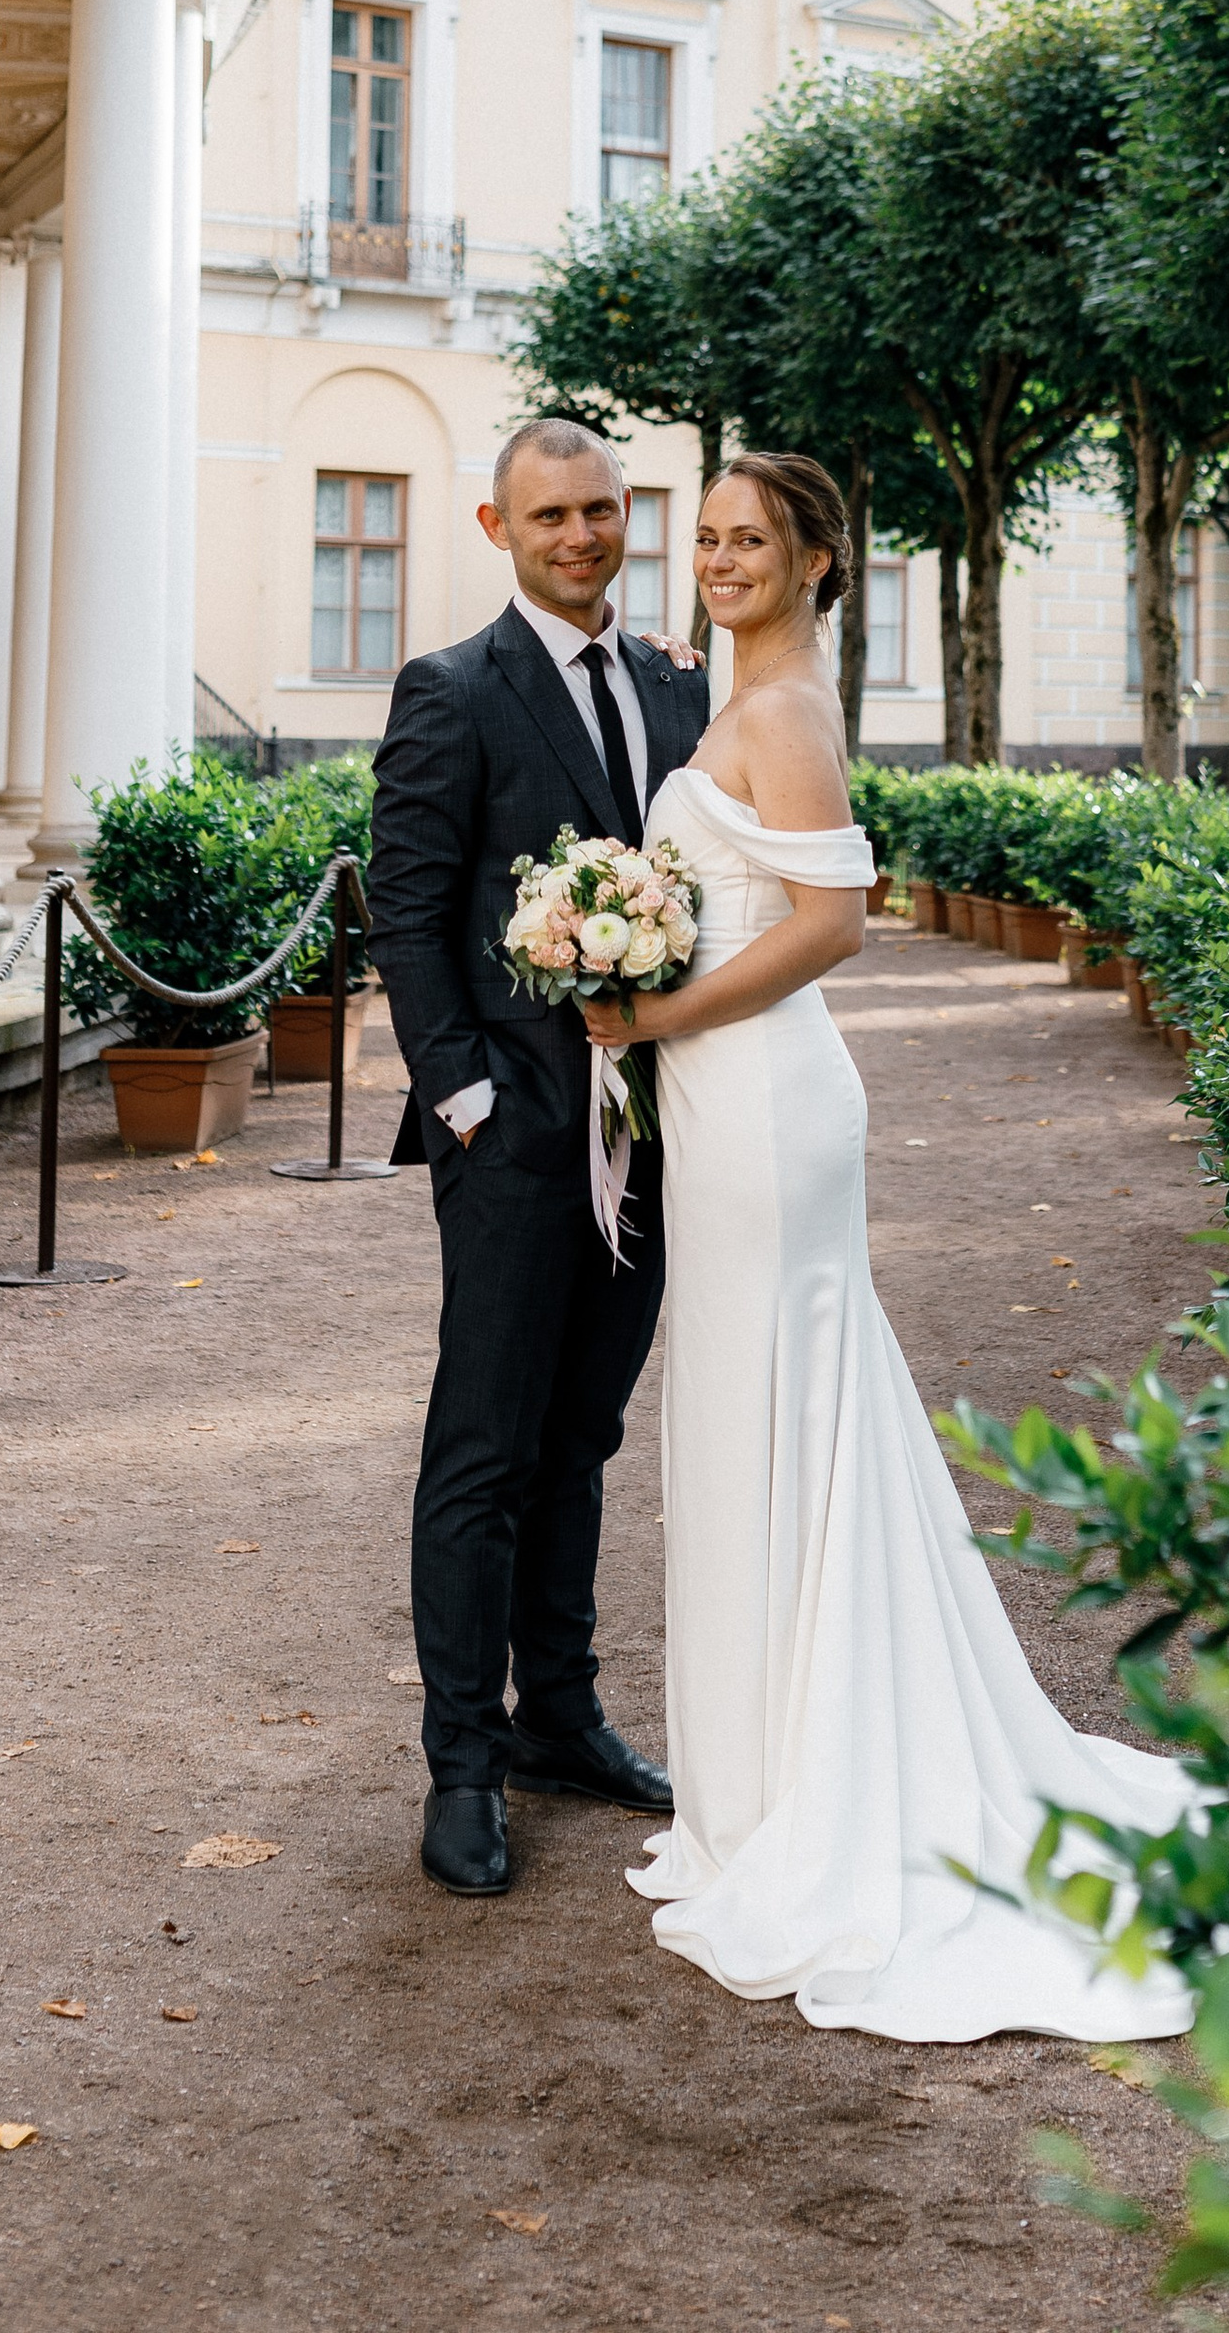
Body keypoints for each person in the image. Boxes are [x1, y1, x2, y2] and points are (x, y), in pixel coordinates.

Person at [580, 450, 1191, 2044]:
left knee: (781, 1418)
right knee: (739, 1424)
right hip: (718, 1106)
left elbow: (829, 927)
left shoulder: (786, 712)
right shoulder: (736, 693)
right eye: (702, 536)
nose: (717, 559)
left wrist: (650, 1008)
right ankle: (757, 1787)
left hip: (769, 1108)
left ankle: (811, 1795)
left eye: (749, 541)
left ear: (815, 561)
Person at [369, 416, 713, 1900]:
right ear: (495, 526)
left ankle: (563, 1719)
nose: (580, 535)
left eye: (601, 510)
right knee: (486, 1449)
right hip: (511, 1138)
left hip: (659, 1138)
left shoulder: (678, 690)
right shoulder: (451, 691)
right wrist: (465, 1106)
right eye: (550, 515)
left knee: (585, 1436)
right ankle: (464, 1761)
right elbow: (408, 908)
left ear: (627, 514)